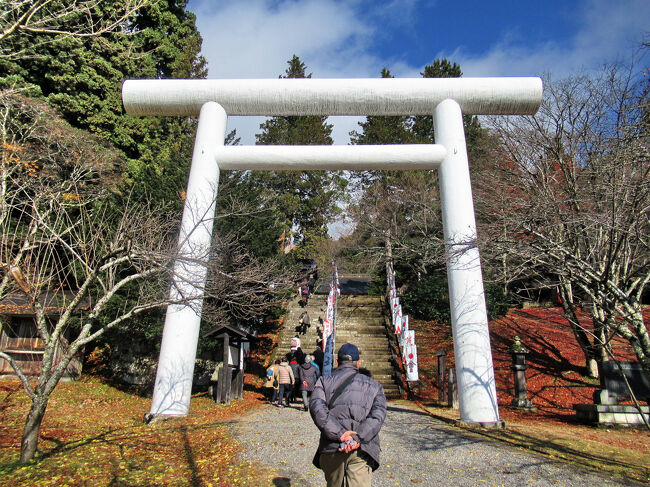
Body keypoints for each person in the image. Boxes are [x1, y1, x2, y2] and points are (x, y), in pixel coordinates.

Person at [310, 343, 387, 487]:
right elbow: (378, 416)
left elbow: (317, 408)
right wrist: (357, 437)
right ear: (358, 363)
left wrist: (340, 434)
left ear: (337, 362)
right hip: (361, 449)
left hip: (332, 446)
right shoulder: (375, 386)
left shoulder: (324, 381)